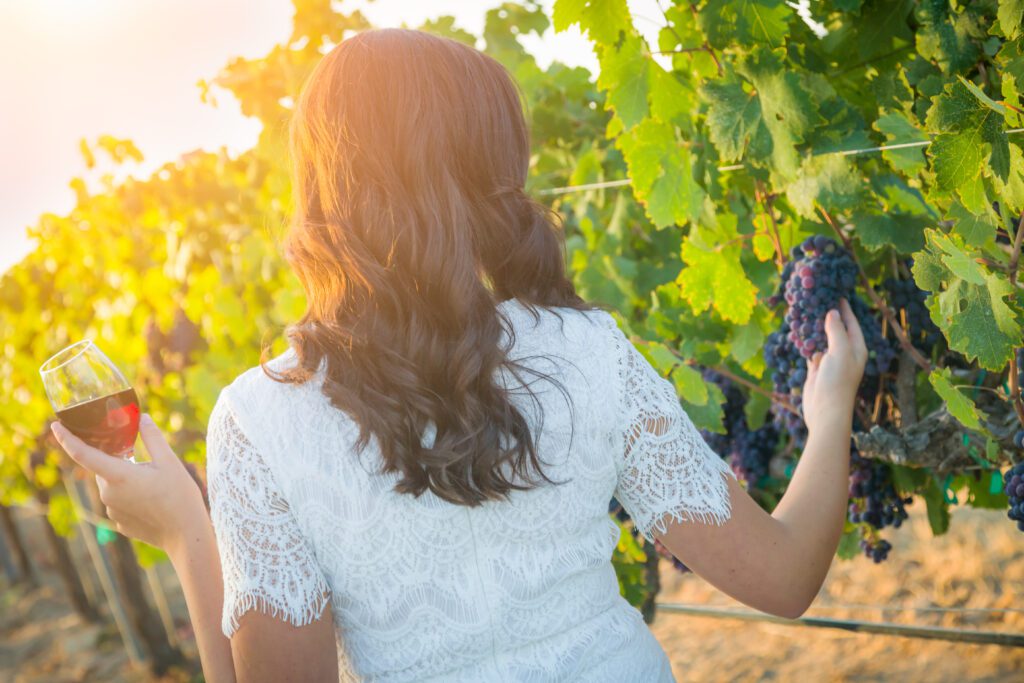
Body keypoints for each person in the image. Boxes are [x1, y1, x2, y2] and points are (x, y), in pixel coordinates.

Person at [50, 28, 867, 683]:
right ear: (485, 172)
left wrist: (186, 535)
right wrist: (829, 415)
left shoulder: (260, 418)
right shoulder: (587, 348)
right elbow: (786, 576)